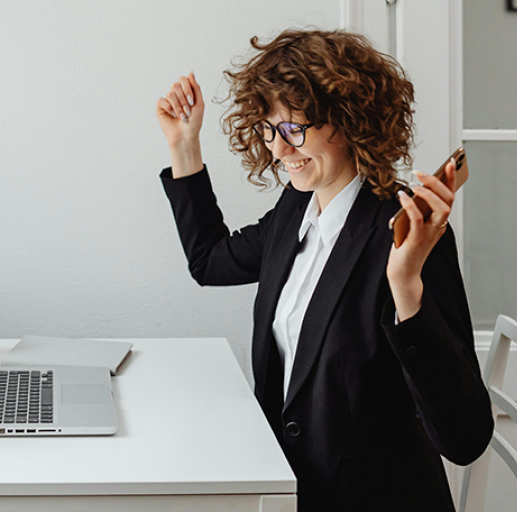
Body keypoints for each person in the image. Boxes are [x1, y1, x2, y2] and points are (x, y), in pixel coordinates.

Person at [155, 29, 493, 512]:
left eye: (294, 129)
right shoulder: (295, 209)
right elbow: (210, 261)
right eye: (269, 129)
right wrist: (185, 145)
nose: (278, 149)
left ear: (349, 121)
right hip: (289, 490)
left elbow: (464, 437)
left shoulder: (408, 234)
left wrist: (405, 285)